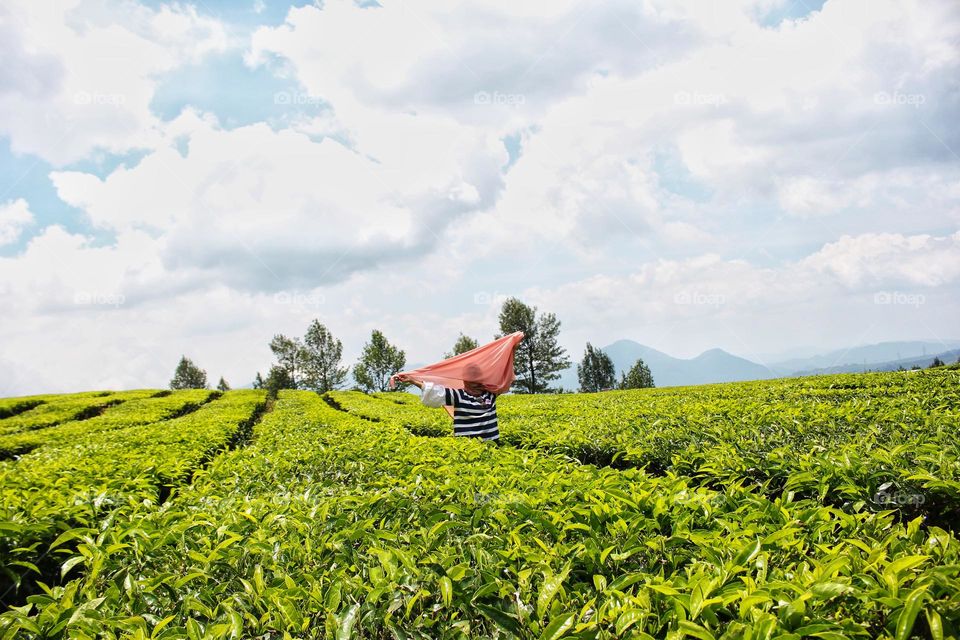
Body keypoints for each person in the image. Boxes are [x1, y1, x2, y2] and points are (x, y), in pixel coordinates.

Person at [400, 364, 501, 443]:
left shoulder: (490, 394)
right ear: (465, 379)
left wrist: (512, 347)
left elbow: (504, 376)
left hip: (492, 446)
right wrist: (413, 381)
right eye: (471, 377)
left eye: (476, 376)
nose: (474, 380)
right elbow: (436, 392)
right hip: (467, 448)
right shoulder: (459, 395)